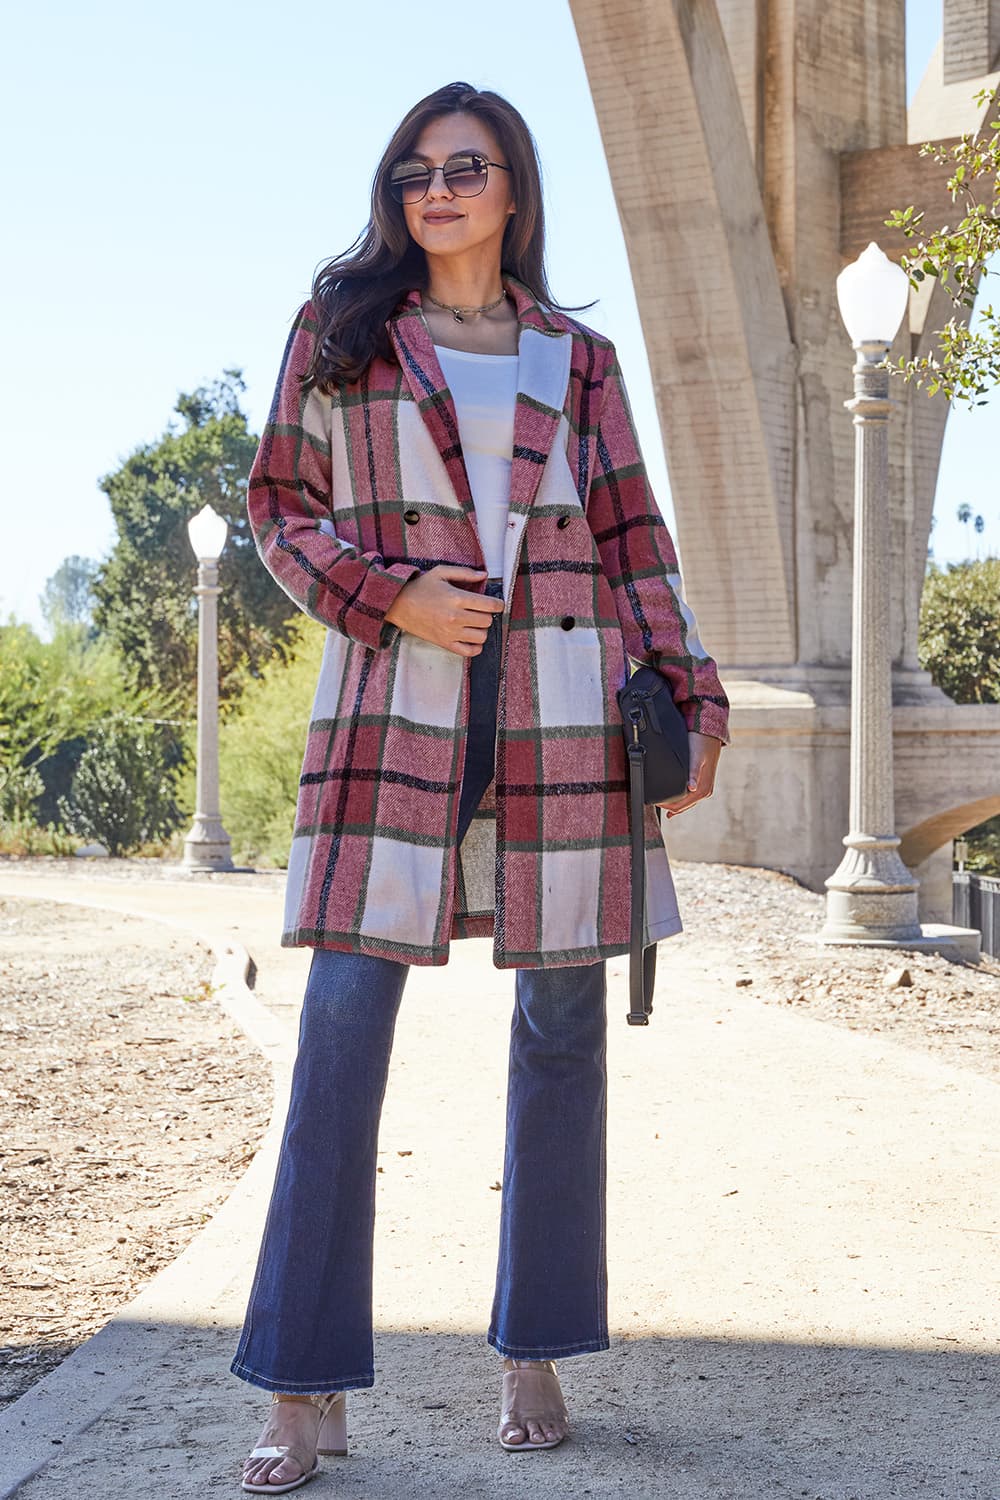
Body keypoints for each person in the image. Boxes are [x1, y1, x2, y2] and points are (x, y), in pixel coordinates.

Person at [233, 80, 730, 1492]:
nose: (437, 189)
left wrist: (691, 690)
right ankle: (304, 1382)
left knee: (565, 1030)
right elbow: (280, 511)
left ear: (514, 191)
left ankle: (536, 1346)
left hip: (566, 715)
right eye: (415, 172)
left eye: (468, 167)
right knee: (339, 1028)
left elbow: (638, 539)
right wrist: (391, 598)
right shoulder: (342, 341)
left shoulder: (581, 357)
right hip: (397, 709)